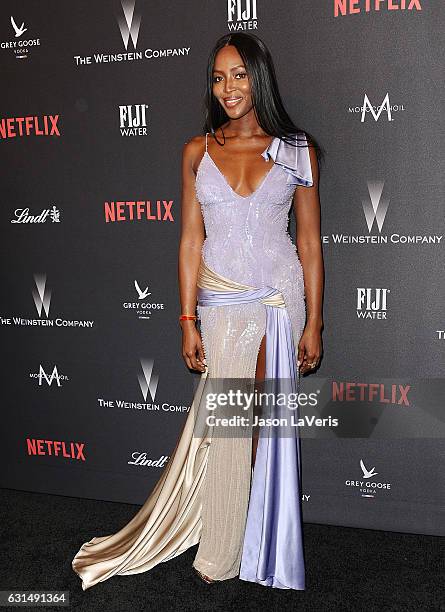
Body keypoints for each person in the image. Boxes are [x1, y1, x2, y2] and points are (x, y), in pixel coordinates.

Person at [72, 32, 324, 592]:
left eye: (238, 75)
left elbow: (309, 242)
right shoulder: (196, 150)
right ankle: (222, 549)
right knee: (230, 427)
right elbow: (190, 241)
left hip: (279, 298)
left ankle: (259, 541)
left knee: (262, 427)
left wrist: (315, 321)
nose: (228, 88)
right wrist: (185, 319)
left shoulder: (294, 149)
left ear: (259, 77)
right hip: (220, 301)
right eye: (218, 77)